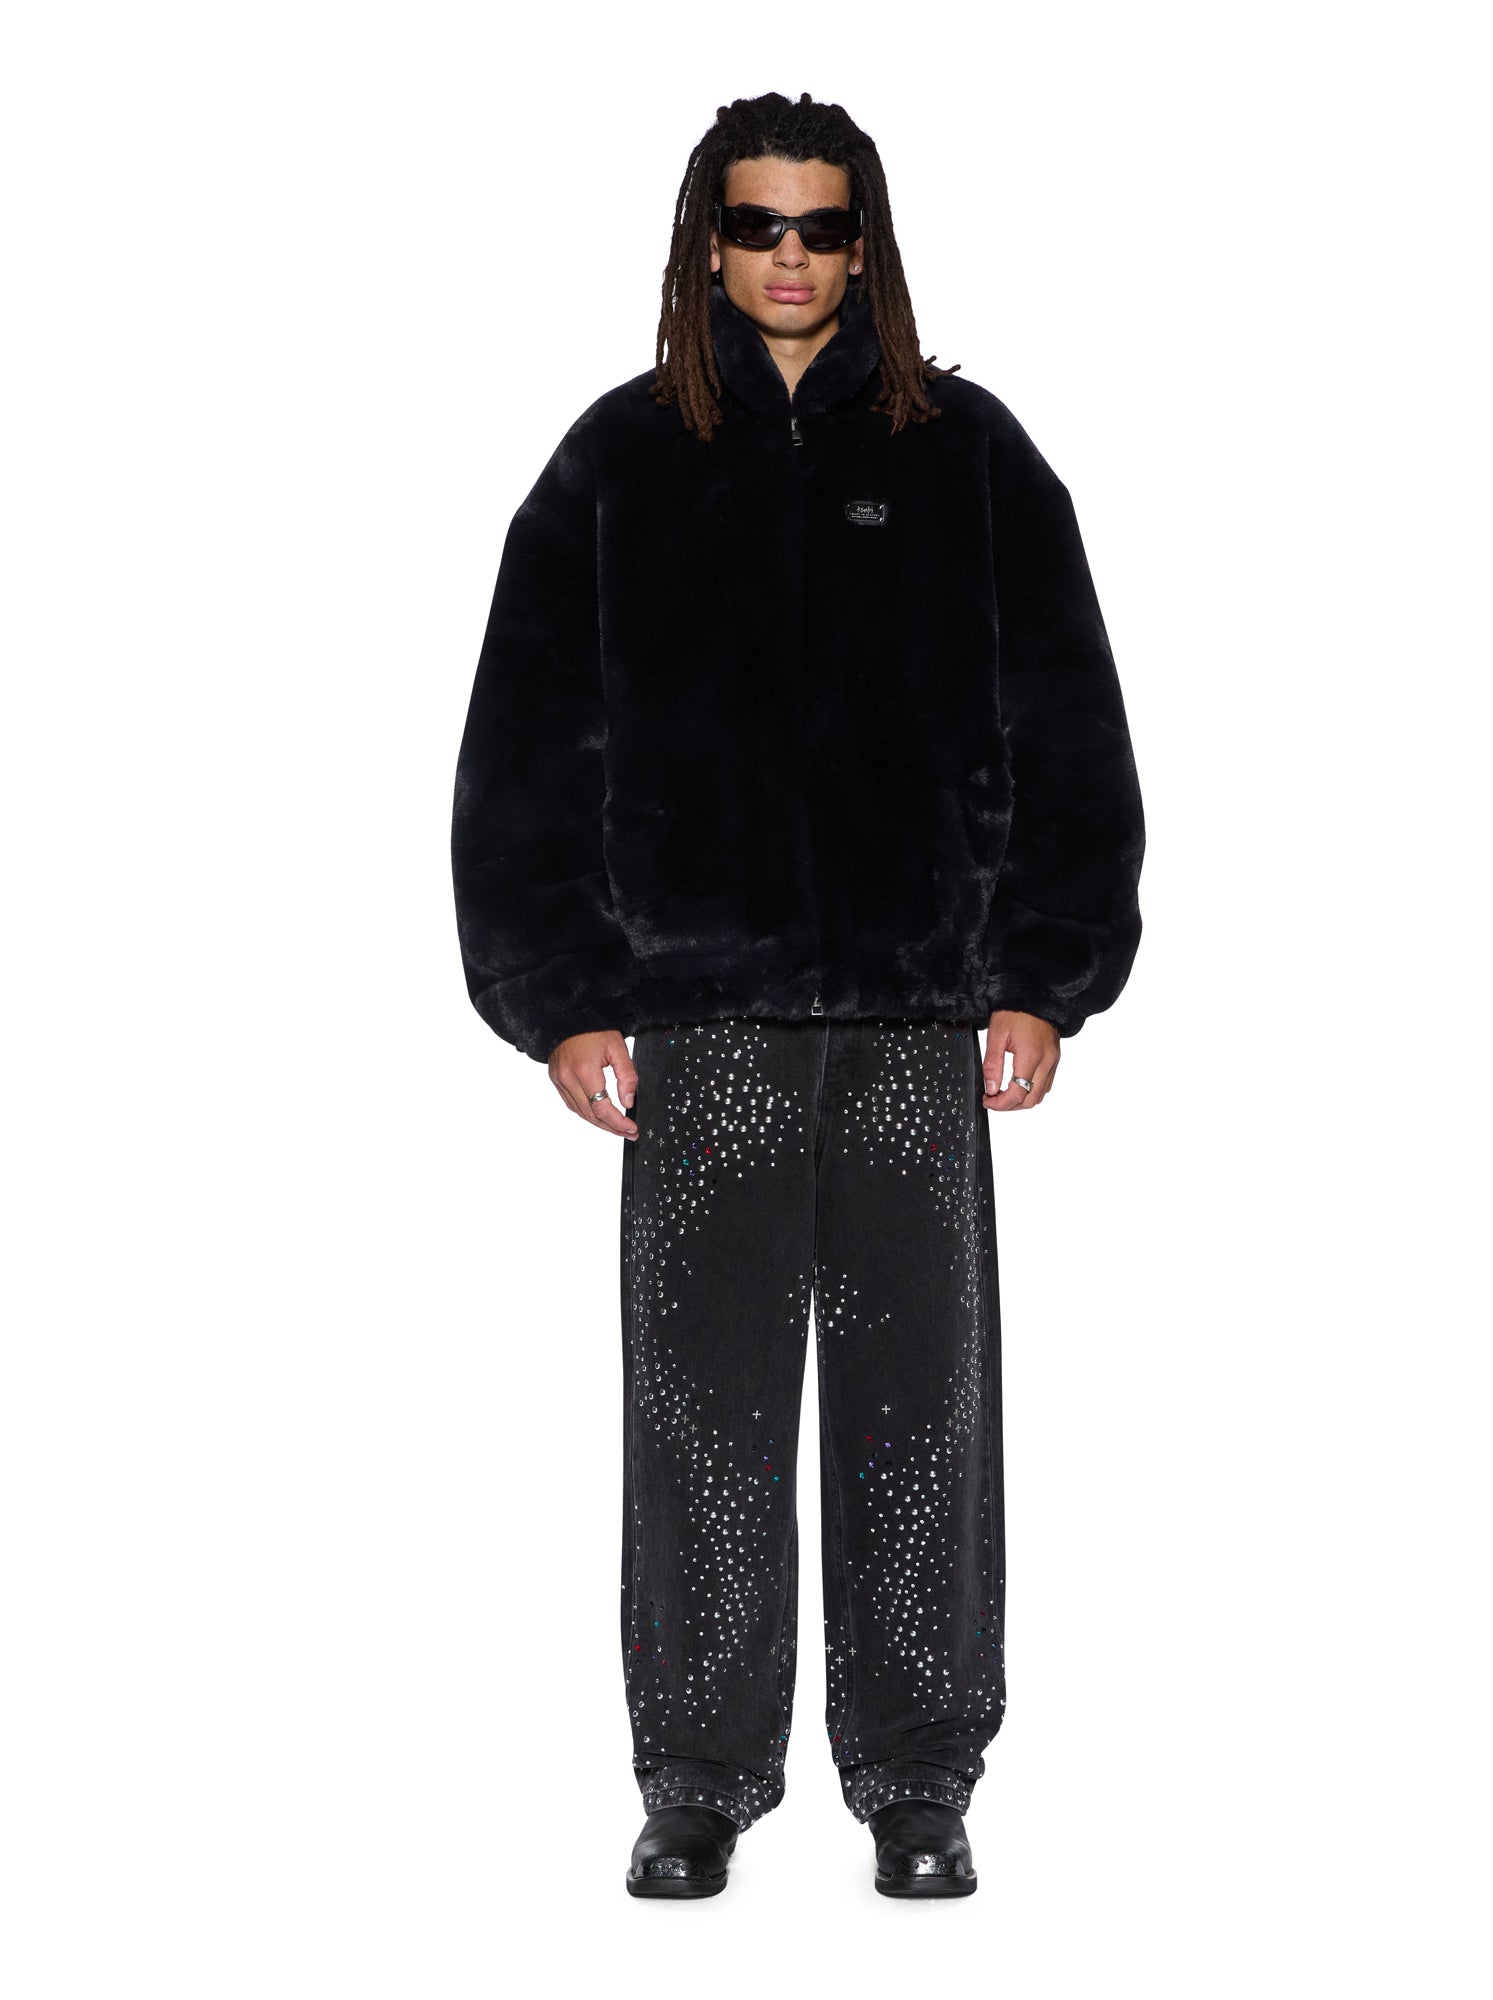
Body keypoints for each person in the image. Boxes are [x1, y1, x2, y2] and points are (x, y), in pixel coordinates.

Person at [451, 90, 1145, 1900]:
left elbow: (1069, 725)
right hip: (704, 1029)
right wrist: (564, 995)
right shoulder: (618, 462)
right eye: (759, 223)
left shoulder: (968, 455)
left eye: (823, 226)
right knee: (701, 1414)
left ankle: (917, 1779)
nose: (790, 256)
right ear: (708, 239)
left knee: (925, 1415)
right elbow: (525, 744)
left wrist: (1044, 973)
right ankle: (696, 1776)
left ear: (865, 243)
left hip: (918, 1024)